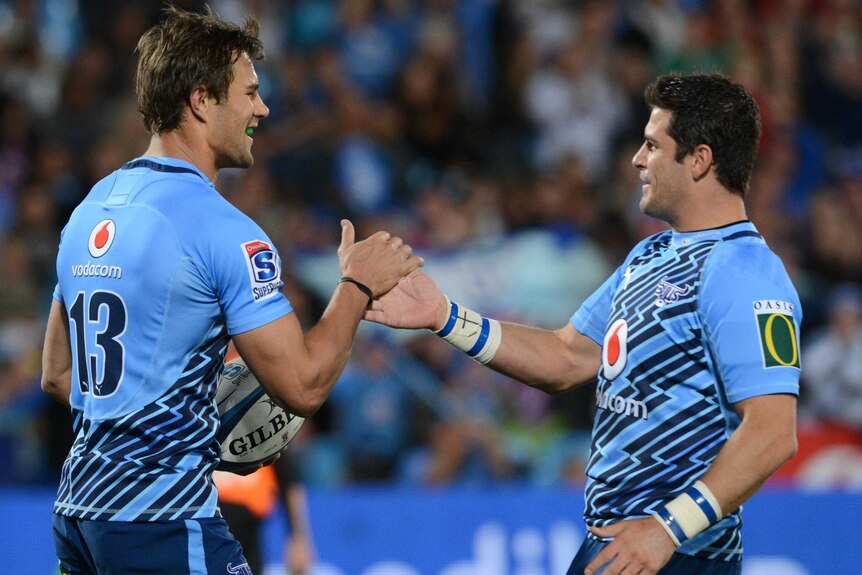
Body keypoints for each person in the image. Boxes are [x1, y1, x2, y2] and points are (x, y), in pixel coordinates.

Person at [365, 72, 801, 575]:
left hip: (679, 553)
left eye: (653, 145)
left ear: (700, 160)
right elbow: (565, 356)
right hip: (617, 543)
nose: (637, 160)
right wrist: (445, 316)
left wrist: (668, 528)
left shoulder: (745, 272)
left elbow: (772, 432)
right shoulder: (651, 255)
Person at [39, 5, 421, 574]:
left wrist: (167, 417)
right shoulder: (225, 230)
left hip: (78, 514)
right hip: (160, 518)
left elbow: (58, 375)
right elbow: (303, 386)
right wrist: (357, 286)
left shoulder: (89, 209)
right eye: (249, 93)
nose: (263, 109)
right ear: (200, 100)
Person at [215, 453, 314, 575]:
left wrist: (298, 537)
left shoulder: (265, 440)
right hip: (206, 531)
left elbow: (289, 482)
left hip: (247, 536)